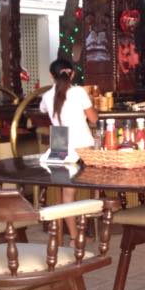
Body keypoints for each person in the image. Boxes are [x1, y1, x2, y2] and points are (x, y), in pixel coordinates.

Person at [39, 58, 98, 239]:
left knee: (67, 194)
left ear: (51, 75)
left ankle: (73, 237)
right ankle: (92, 221)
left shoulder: (47, 96)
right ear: (72, 74)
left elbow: (43, 110)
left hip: (59, 142)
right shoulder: (79, 92)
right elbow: (94, 119)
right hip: (82, 144)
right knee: (95, 185)